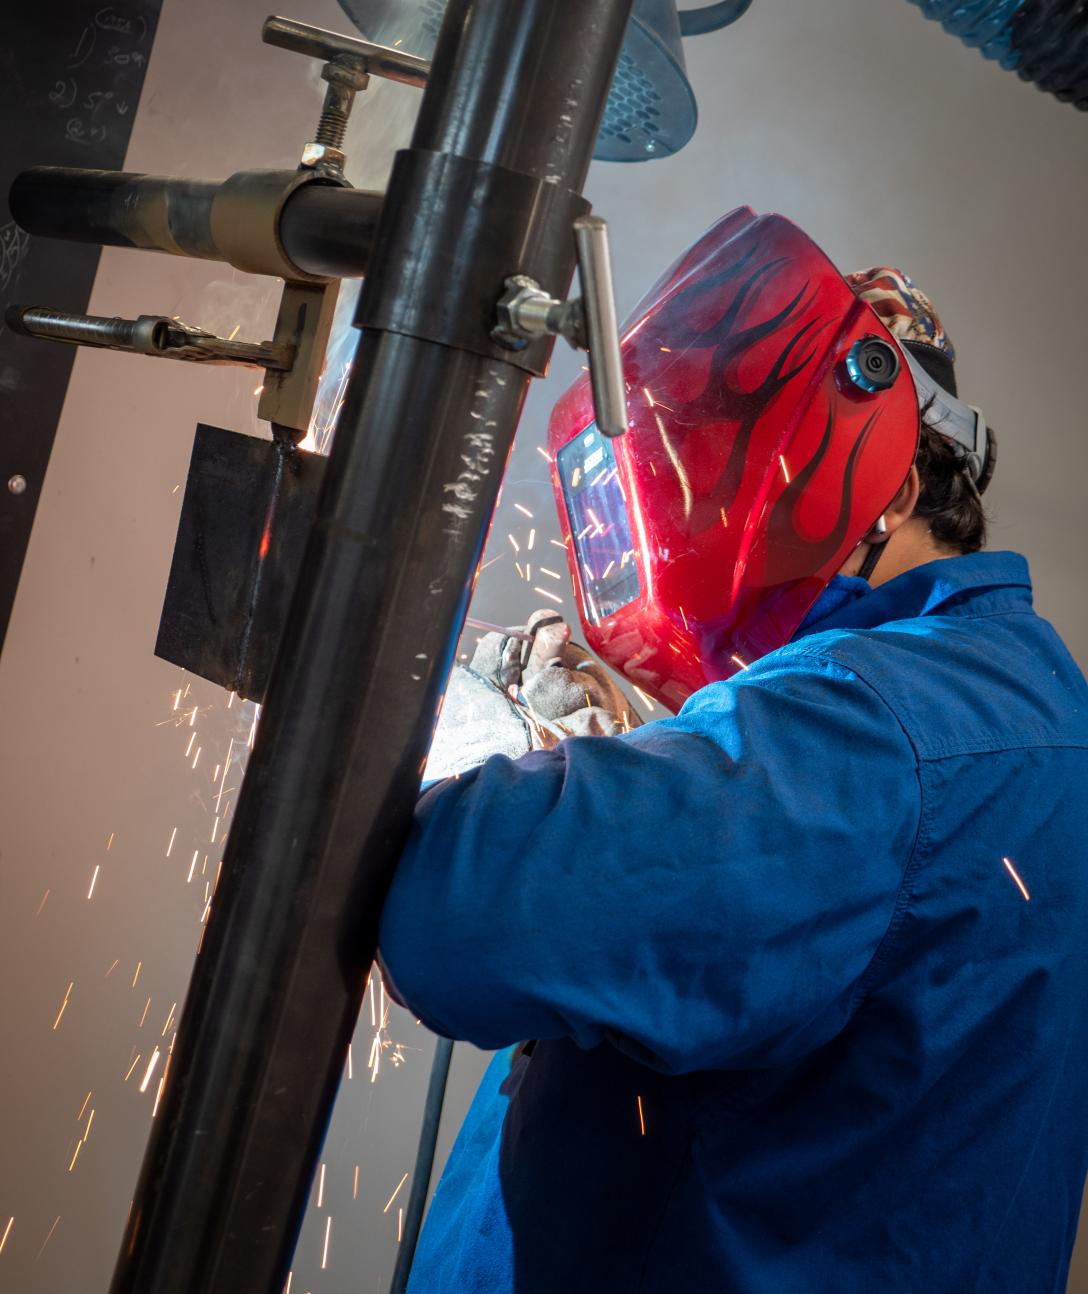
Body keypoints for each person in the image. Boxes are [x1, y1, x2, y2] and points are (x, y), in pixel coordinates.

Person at [378, 221, 1088, 1292]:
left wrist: (498, 751)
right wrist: (627, 757)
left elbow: (462, 915)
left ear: (884, 484)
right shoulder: (998, 713)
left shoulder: (879, 723)